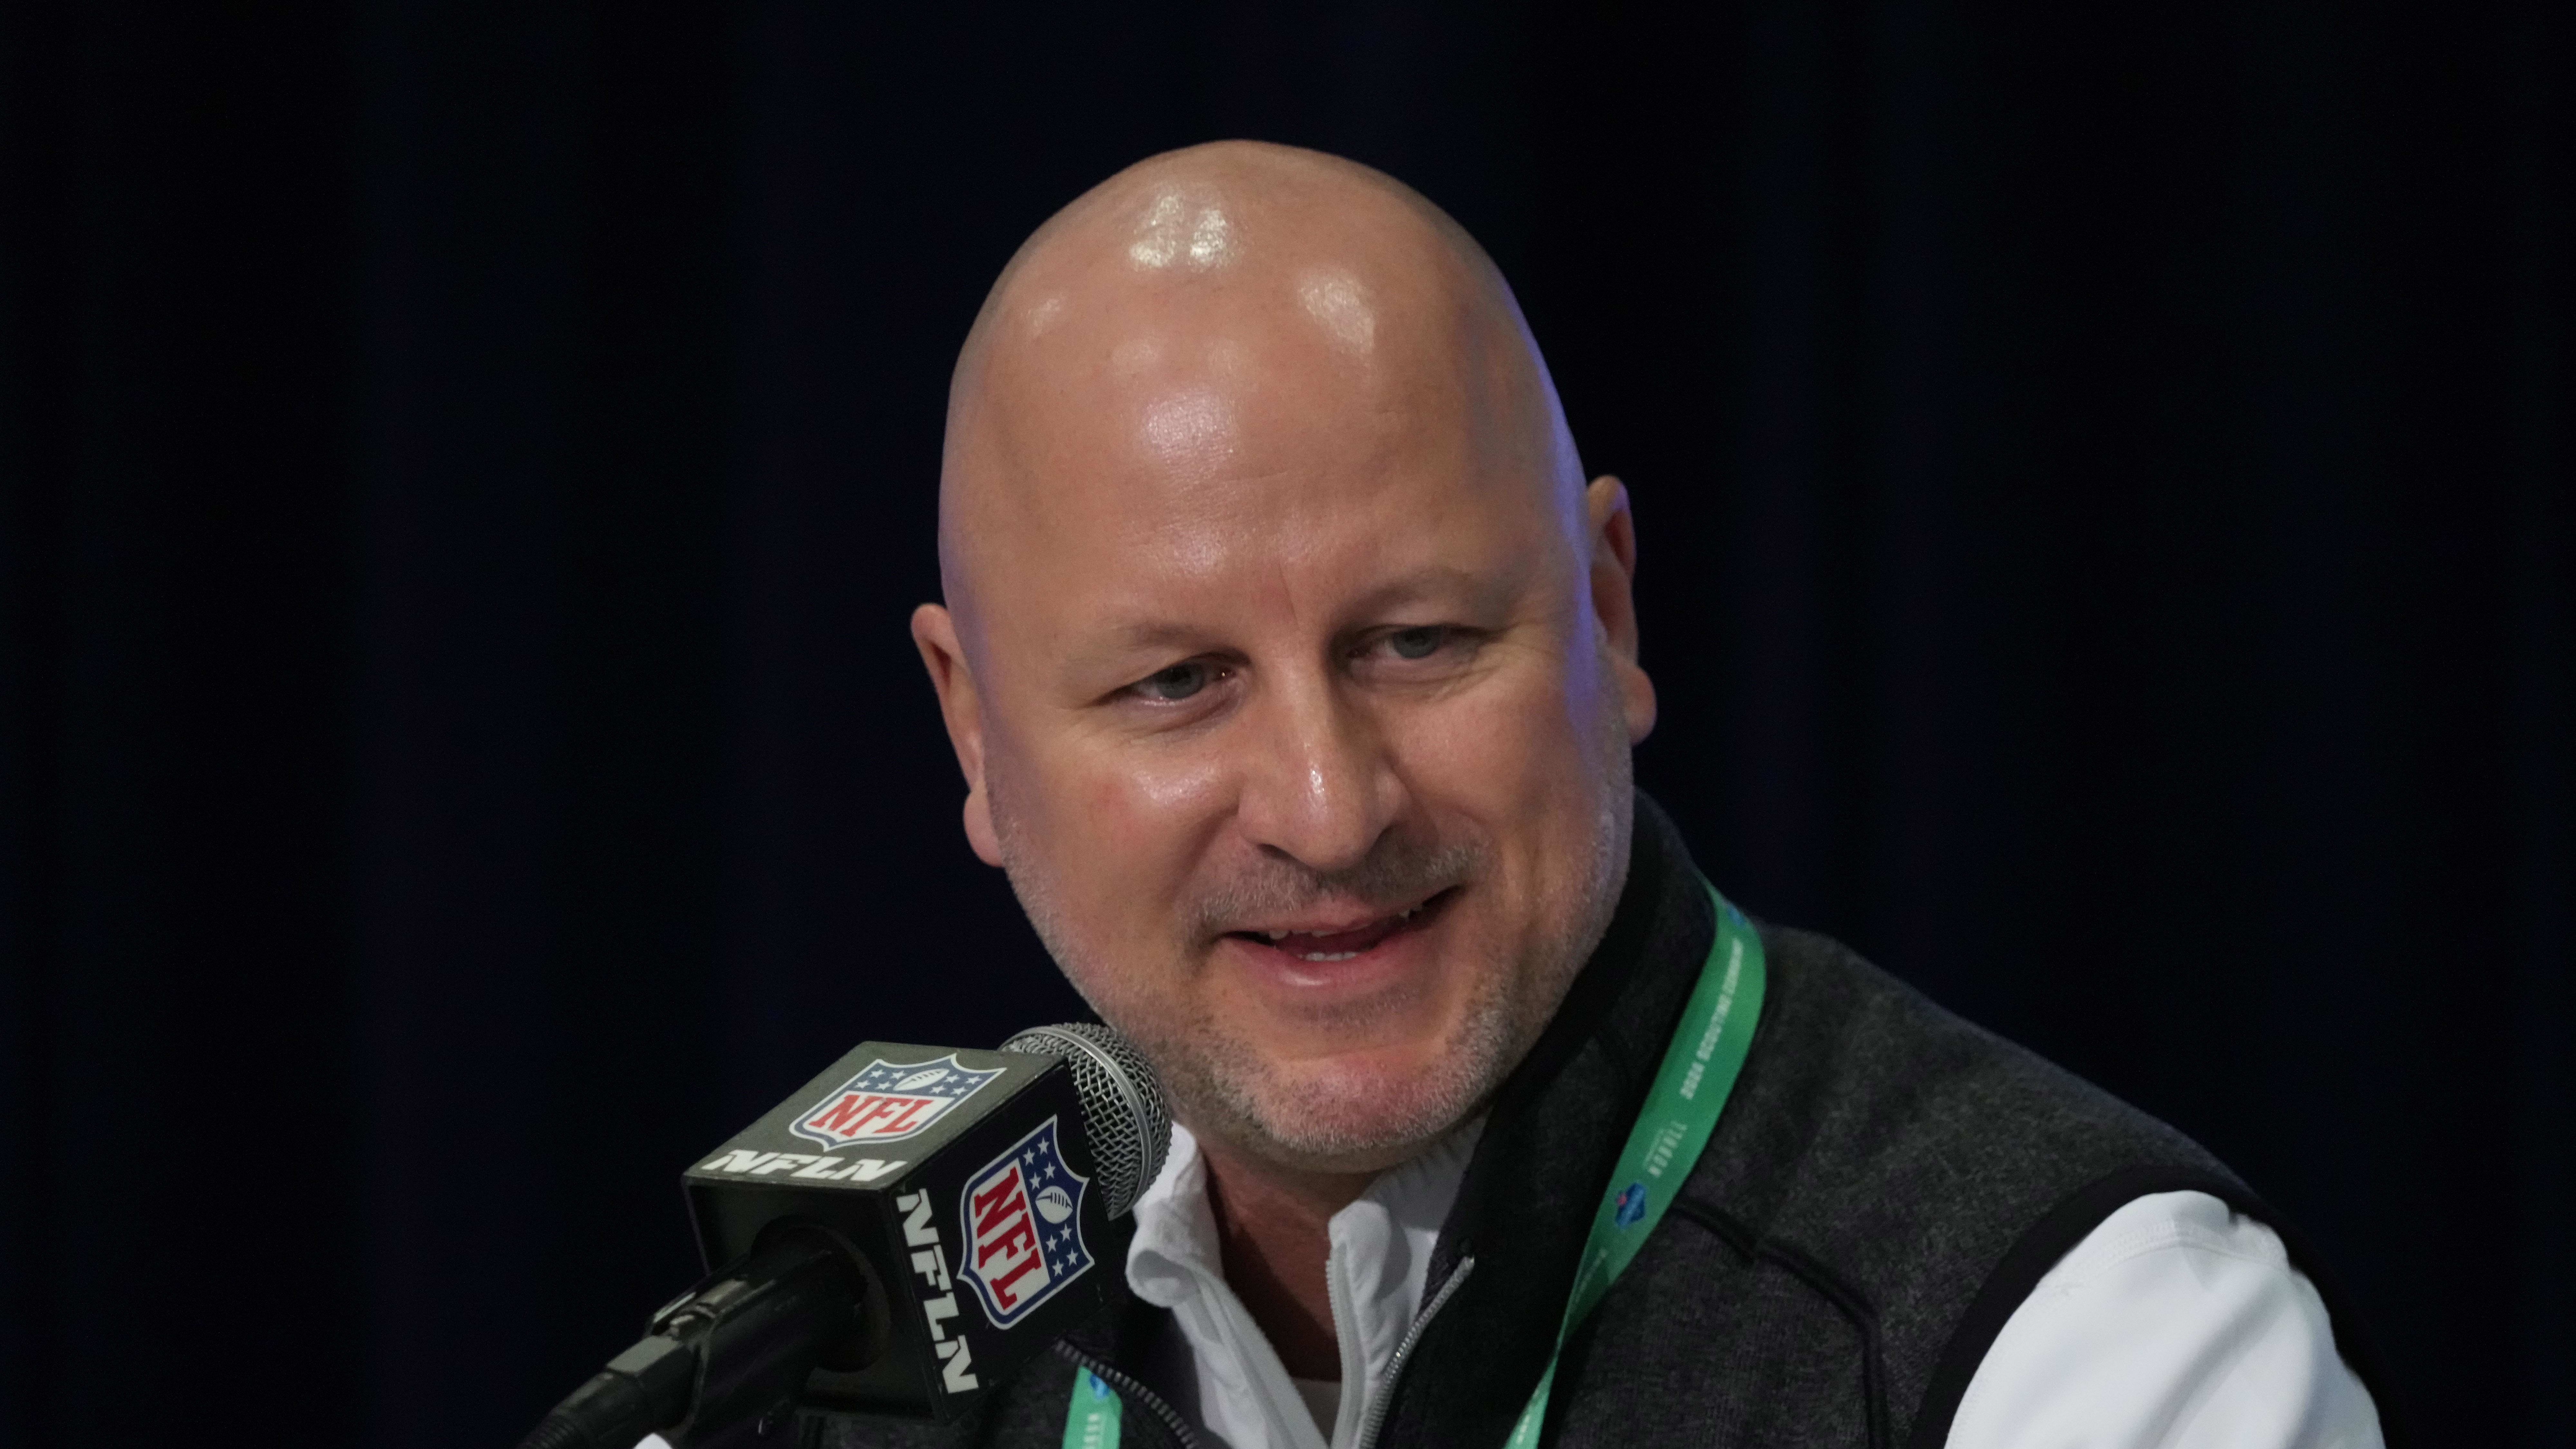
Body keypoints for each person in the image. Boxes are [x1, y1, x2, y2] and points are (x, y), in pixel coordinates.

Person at [897, 141, 2390, 1449]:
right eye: (1177, 685)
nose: (1328, 807)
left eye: (1418, 642)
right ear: (975, 734)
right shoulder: (815, 1366)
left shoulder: (2102, 1343)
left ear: (1610, 617)